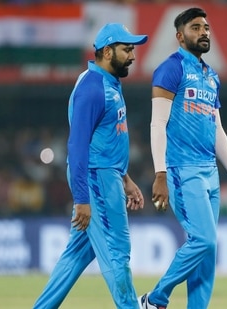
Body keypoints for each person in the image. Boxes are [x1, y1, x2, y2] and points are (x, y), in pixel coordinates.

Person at [141, 7, 227, 309]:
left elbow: (217, 129)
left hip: (209, 173)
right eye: (195, 27)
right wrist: (160, 173)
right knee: (204, 240)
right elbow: (157, 124)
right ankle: (155, 299)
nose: (204, 32)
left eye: (206, 27)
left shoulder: (211, 76)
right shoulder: (171, 68)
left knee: (208, 253)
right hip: (181, 169)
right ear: (179, 36)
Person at [33, 23, 148, 309]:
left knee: (75, 256)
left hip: (107, 176)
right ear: (107, 51)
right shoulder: (93, 88)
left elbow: (106, 140)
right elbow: (77, 146)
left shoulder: (107, 82)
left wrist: (125, 177)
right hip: (97, 181)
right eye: (127, 49)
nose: (133, 56)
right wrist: (82, 198)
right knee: (118, 253)